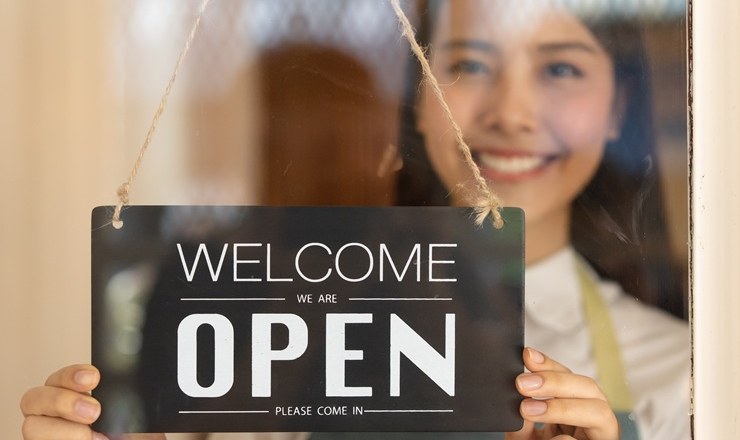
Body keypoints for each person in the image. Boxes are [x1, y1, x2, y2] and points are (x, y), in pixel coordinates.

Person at [20, 0, 689, 439]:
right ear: (416, 100)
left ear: (618, 109)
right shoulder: (244, 312)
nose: (511, 112)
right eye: (467, 65)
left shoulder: (686, 377)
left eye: (562, 69)